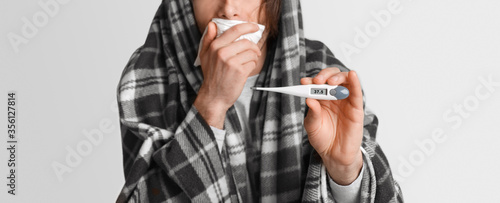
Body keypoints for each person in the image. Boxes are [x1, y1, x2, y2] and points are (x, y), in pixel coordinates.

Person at [116, 0, 404, 202]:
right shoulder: (147, 76)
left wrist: (345, 170)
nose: (229, 8)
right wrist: (211, 104)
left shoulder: (324, 77)